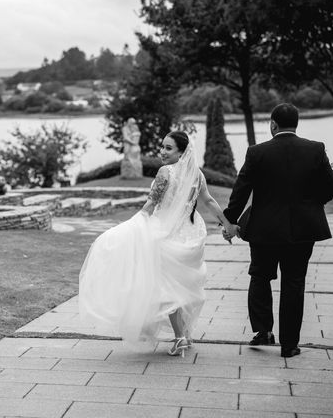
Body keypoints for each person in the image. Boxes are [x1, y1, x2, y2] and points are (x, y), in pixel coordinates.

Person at [79, 131, 236, 357]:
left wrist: (132, 226)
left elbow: (151, 205)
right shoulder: (197, 174)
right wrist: (228, 225)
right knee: (179, 286)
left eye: (168, 148)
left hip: (165, 235)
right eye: (162, 147)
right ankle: (184, 333)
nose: (162, 152)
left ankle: (181, 337)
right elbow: (209, 201)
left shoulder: (166, 172)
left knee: (166, 289)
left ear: (182, 152)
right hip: (190, 235)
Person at [222, 103, 333, 358]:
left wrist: (229, 221)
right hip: (304, 229)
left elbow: (241, 191)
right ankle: (289, 345)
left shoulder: (257, 152)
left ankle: (263, 331)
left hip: (264, 229)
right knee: (294, 283)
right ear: (296, 123)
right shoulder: (315, 149)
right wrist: (311, 204)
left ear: (273, 124)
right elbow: (331, 187)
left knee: (260, 276)